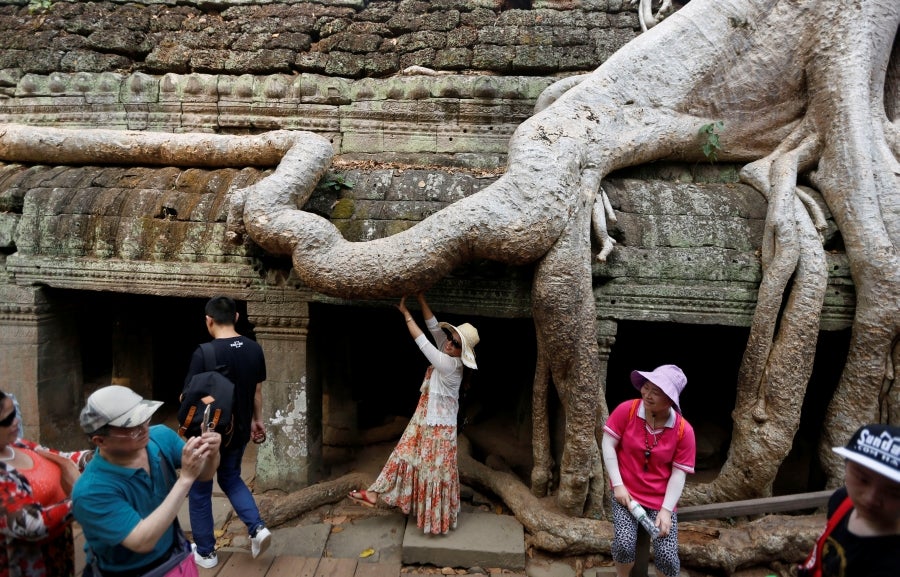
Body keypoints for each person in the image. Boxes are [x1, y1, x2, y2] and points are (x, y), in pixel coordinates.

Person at [348, 292, 480, 535]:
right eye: (451, 337)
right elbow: (433, 326)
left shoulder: (450, 364)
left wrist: (407, 314)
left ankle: (434, 521)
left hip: (439, 429)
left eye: (455, 343)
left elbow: (423, 342)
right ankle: (375, 493)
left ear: (462, 352)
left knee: (433, 473)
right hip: (424, 418)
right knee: (403, 454)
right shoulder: (448, 350)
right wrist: (420, 298)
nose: (449, 342)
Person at [72, 385, 220, 577]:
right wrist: (184, 480)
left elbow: (205, 475)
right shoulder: (90, 491)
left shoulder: (160, 437)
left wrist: (212, 454)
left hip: (174, 558)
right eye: (130, 427)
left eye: (143, 418)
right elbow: (142, 541)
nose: (143, 429)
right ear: (100, 441)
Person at [185, 296, 269, 568]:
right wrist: (258, 420)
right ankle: (257, 528)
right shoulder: (254, 348)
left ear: (208, 320)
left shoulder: (204, 353)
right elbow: (256, 390)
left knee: (200, 487)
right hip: (240, 428)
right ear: (236, 318)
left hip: (208, 433)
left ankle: (207, 553)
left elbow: (188, 396)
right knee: (231, 477)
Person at [601, 364, 696, 577]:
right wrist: (617, 485)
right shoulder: (628, 410)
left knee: (668, 556)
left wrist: (666, 509)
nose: (648, 394)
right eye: (647, 387)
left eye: (657, 391)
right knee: (625, 544)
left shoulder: (684, 431)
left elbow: (678, 474)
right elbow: (608, 444)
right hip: (626, 493)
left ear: (670, 400)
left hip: (661, 500)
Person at [0, 389, 91, 577]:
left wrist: (98, 455)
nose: (16, 421)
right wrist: (83, 498)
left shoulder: (18, 444)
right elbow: (31, 524)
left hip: (58, 553)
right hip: (28, 566)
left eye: (14, 414)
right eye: (7, 420)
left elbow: (61, 459)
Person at [798, 423, 900, 577]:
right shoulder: (841, 501)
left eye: (893, 492)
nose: (870, 498)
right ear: (845, 467)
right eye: (863, 480)